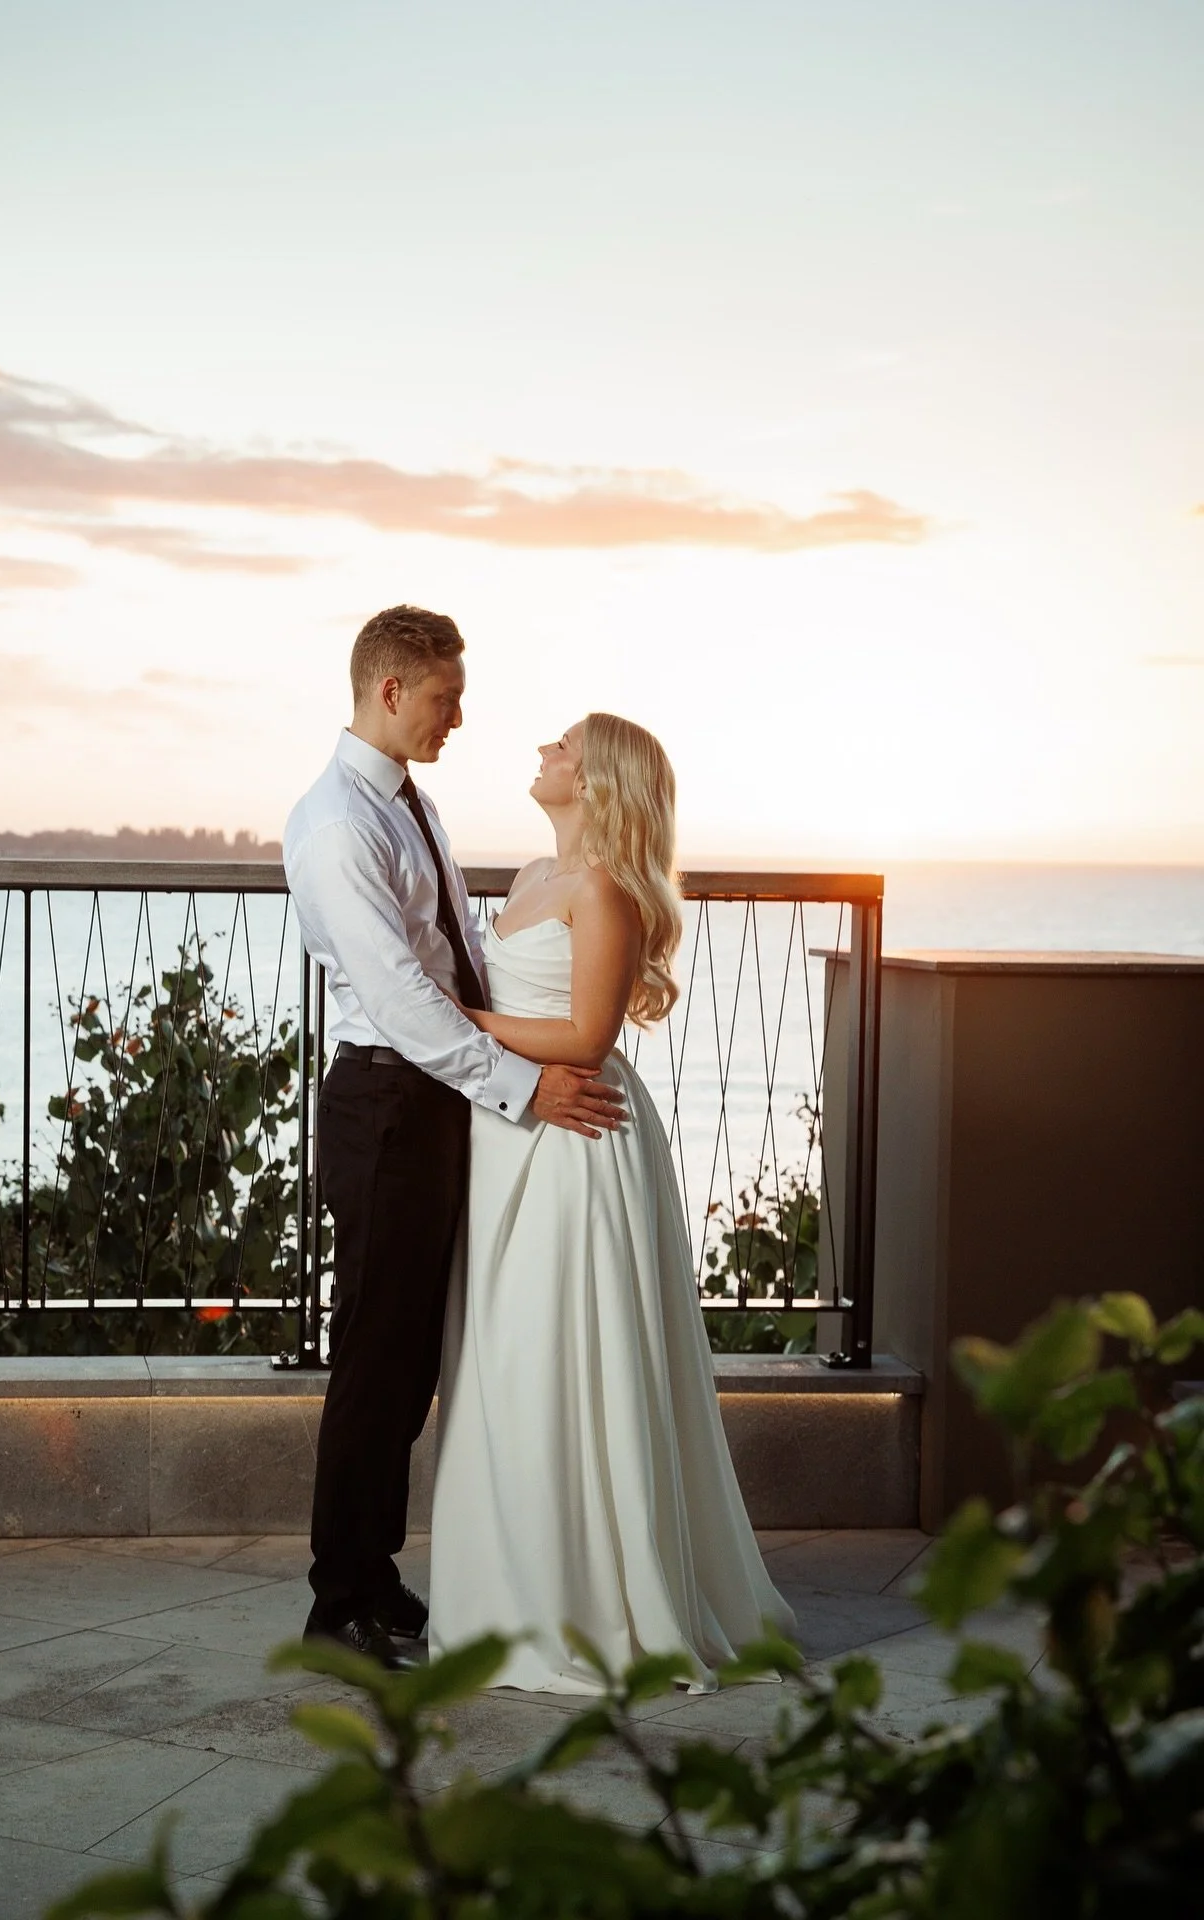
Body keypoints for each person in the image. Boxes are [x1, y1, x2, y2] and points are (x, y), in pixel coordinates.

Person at [283, 607, 627, 1665]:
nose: (459, 717)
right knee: (376, 1360)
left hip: (430, 1096)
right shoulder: (340, 822)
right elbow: (398, 1000)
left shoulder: (407, 802)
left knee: (409, 1359)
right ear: (391, 691)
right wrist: (526, 1087)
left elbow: (452, 958)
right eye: (445, 698)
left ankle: (376, 1580)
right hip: (386, 1101)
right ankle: (337, 1601)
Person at [429, 713, 796, 1692]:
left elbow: (586, 1037)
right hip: (513, 1136)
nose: (542, 752)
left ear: (596, 783)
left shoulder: (603, 888)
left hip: (577, 1138)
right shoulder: (529, 878)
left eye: (563, 747)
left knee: (562, 1356)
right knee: (506, 1362)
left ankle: (588, 1602)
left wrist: (446, 1020)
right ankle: (512, 1593)